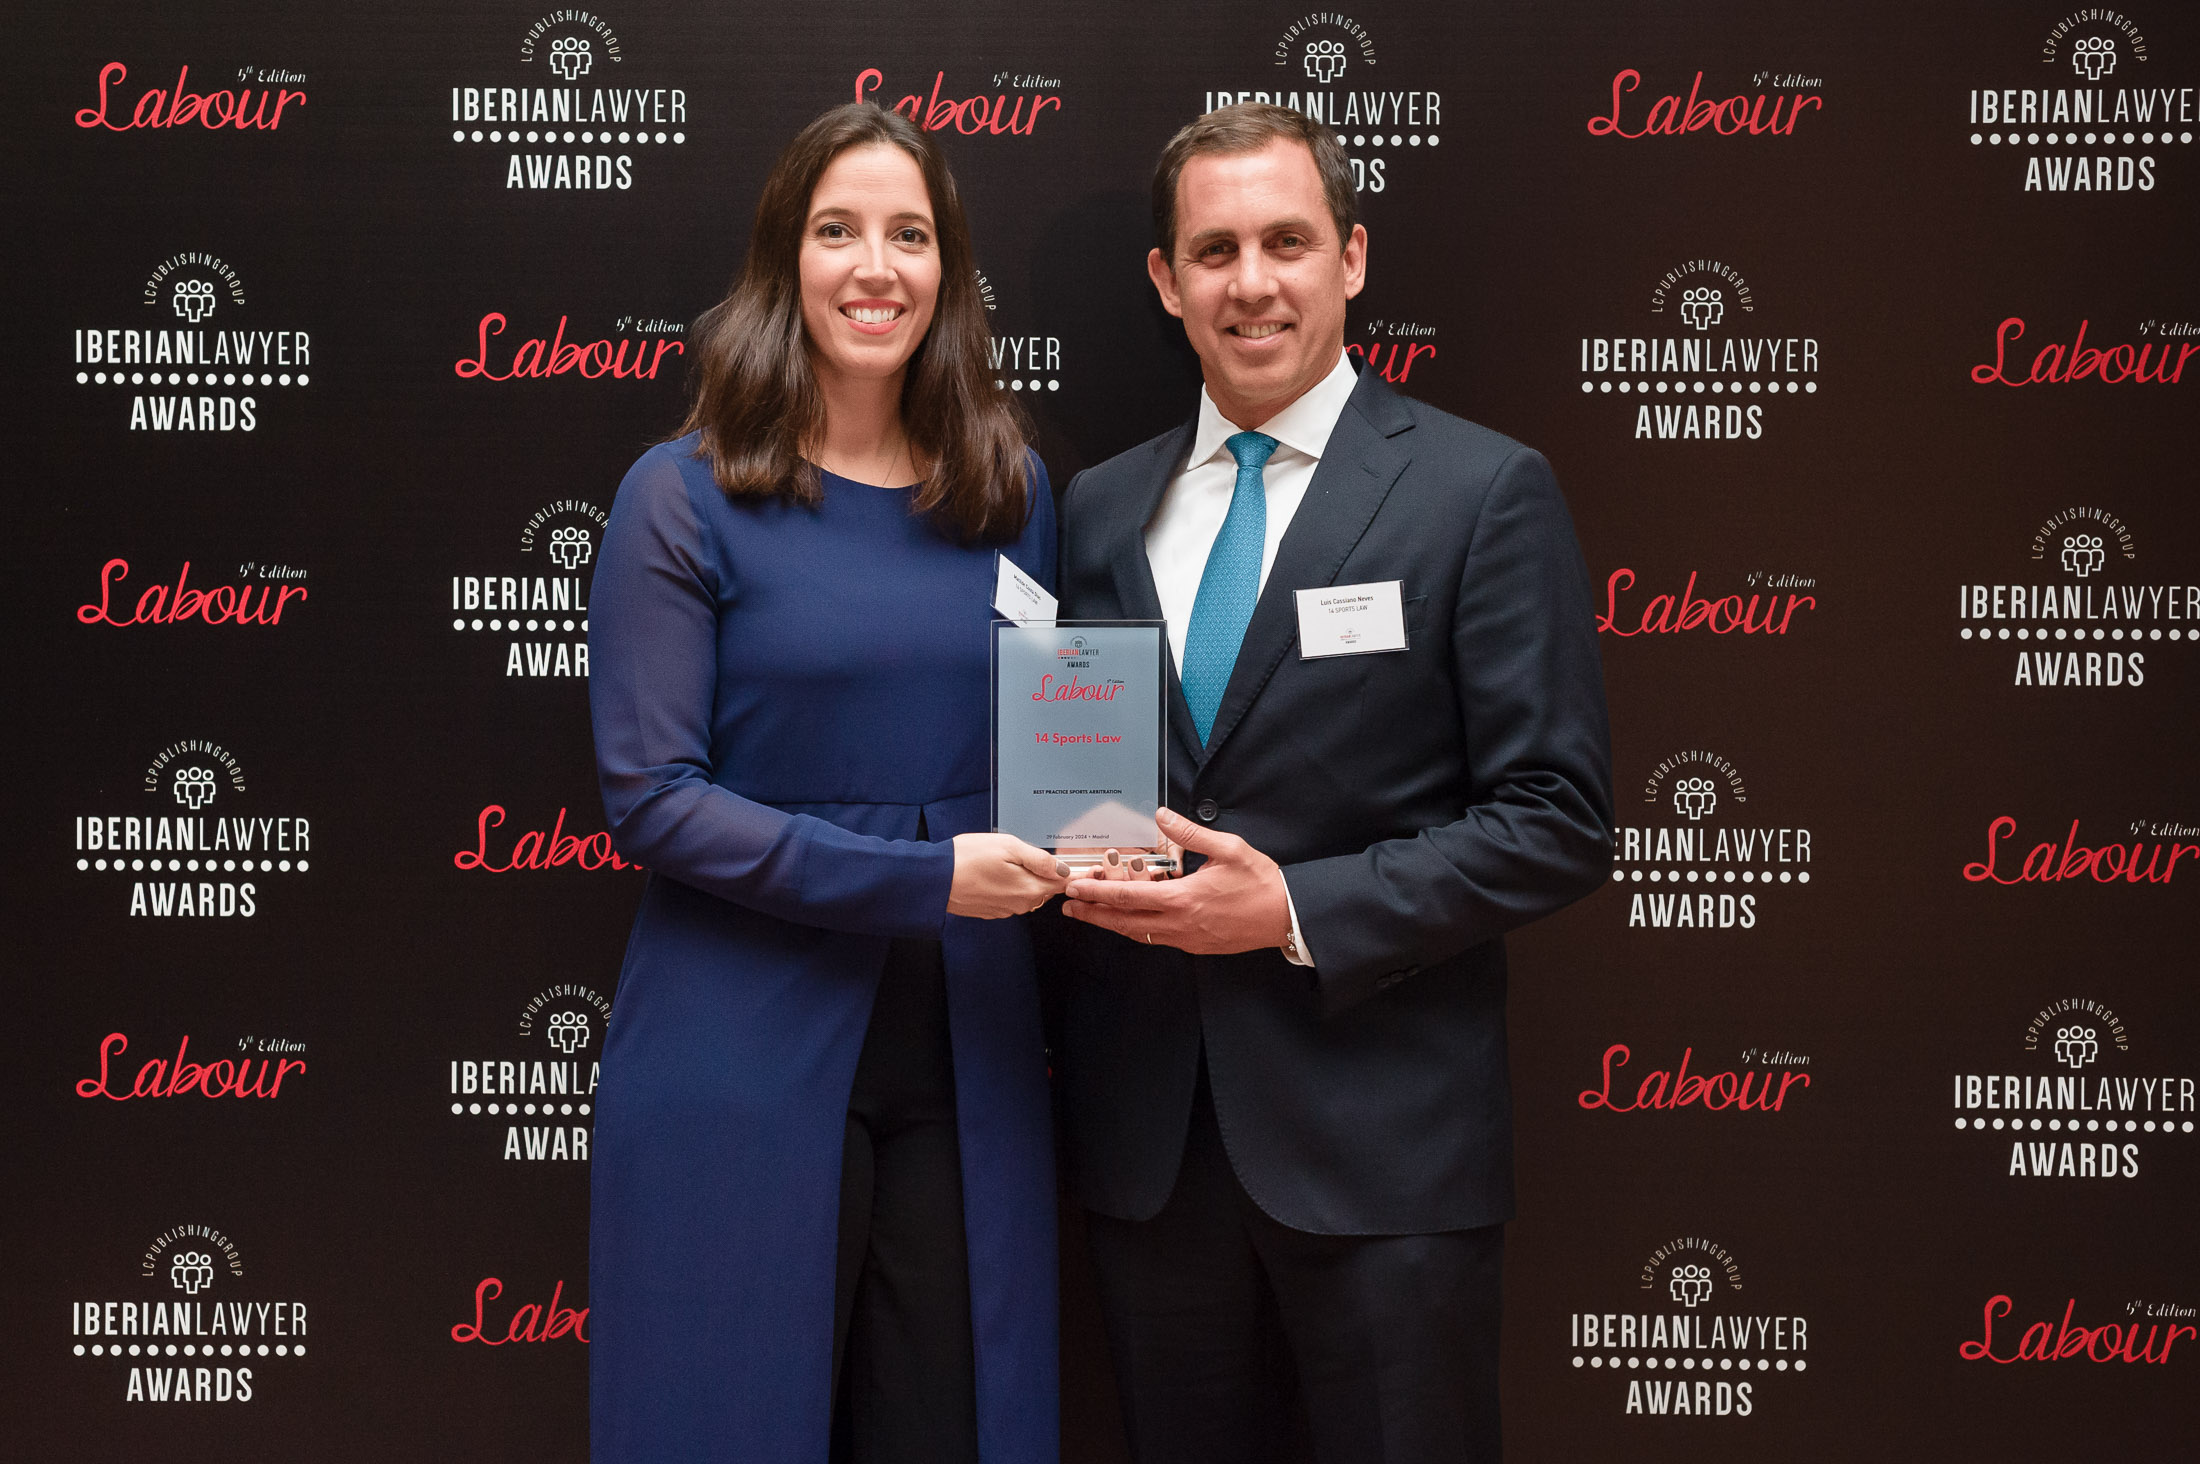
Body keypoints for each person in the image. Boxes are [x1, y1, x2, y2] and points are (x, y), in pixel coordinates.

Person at [1048, 103, 1614, 1462]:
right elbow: (1087, 779)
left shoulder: (1480, 491)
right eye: (1216, 250)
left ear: (1351, 257)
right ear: (1166, 280)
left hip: (1388, 1159)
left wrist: (1293, 909)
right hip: (1154, 1158)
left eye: (1287, 242)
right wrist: (1067, 847)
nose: (1252, 283)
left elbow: (1558, 820)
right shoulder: (1098, 511)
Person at [586, 103, 1068, 1464]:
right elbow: (653, 797)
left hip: (969, 1051)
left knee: (955, 1423)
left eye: (910, 234)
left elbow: (1057, 752)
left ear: (949, 268)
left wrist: (1095, 843)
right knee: (725, 1422)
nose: (876, 267)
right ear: (782, 261)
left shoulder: (1012, 491)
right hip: (735, 1040)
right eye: (838, 230)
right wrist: (926, 878)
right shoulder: (681, 495)